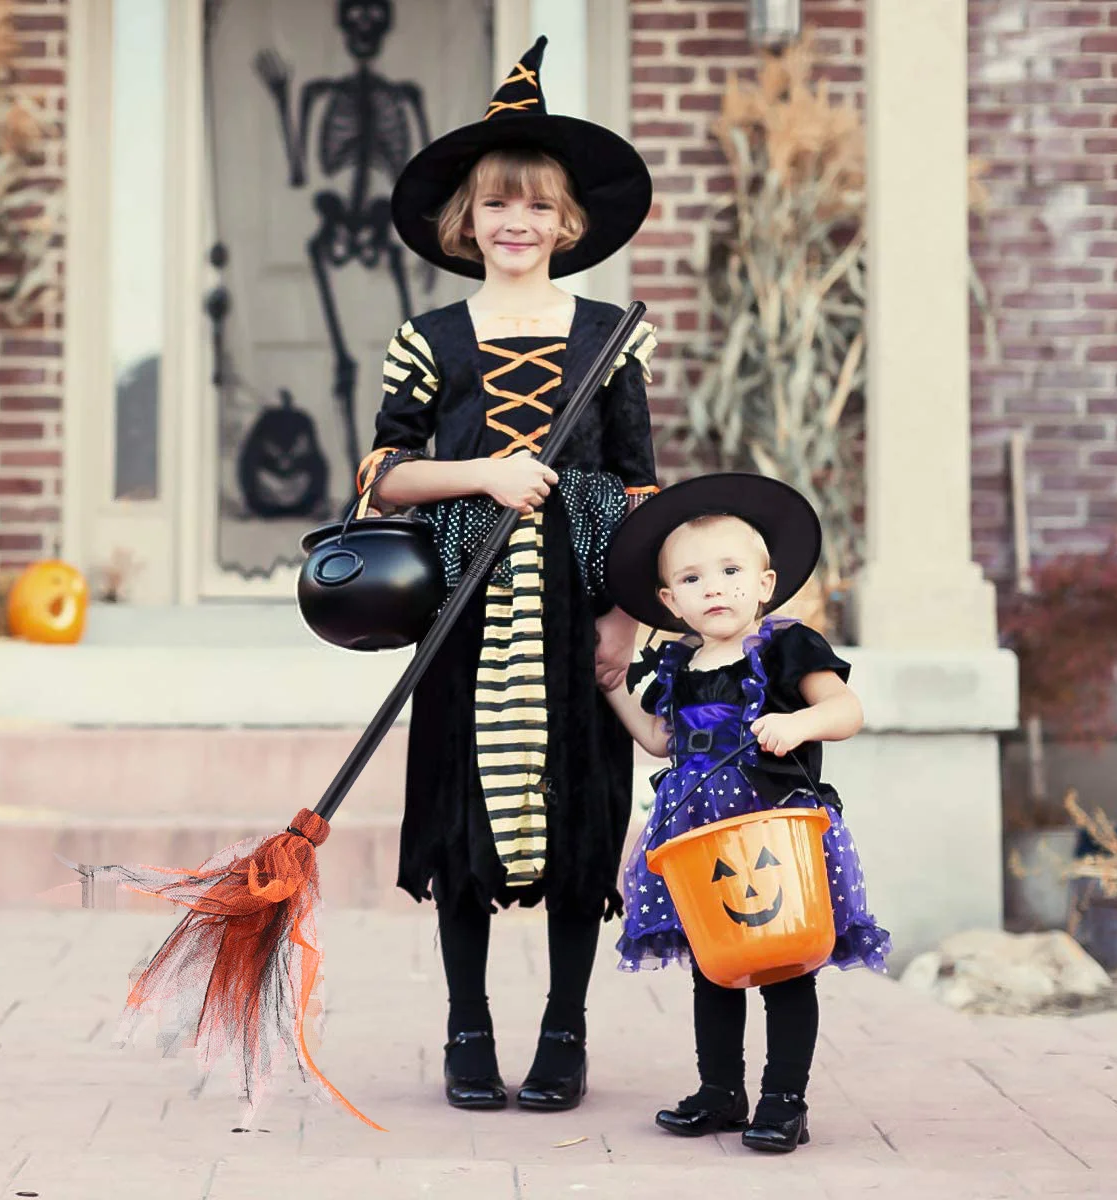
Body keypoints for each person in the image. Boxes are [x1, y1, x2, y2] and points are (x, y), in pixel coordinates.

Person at [356, 37, 658, 1113]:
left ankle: (566, 1031)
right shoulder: (428, 339)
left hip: (580, 597)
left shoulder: (610, 338)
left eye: (536, 206)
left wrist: (625, 617)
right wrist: (479, 470)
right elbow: (382, 478)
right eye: (496, 206)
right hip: (462, 603)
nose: (517, 223)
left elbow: (633, 488)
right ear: (466, 223)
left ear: (567, 223)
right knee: (460, 814)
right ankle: (468, 1026)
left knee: (581, 811)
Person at [602, 473, 891, 1152]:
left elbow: (846, 712)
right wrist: (615, 687)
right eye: (695, 579)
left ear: (763, 583)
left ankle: (784, 1099)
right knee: (716, 964)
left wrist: (800, 725)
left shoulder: (789, 647)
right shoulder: (677, 665)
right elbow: (658, 740)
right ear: (671, 601)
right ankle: (719, 1091)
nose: (716, 588)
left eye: (731, 571)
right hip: (700, 837)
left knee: (785, 962)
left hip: (774, 830)